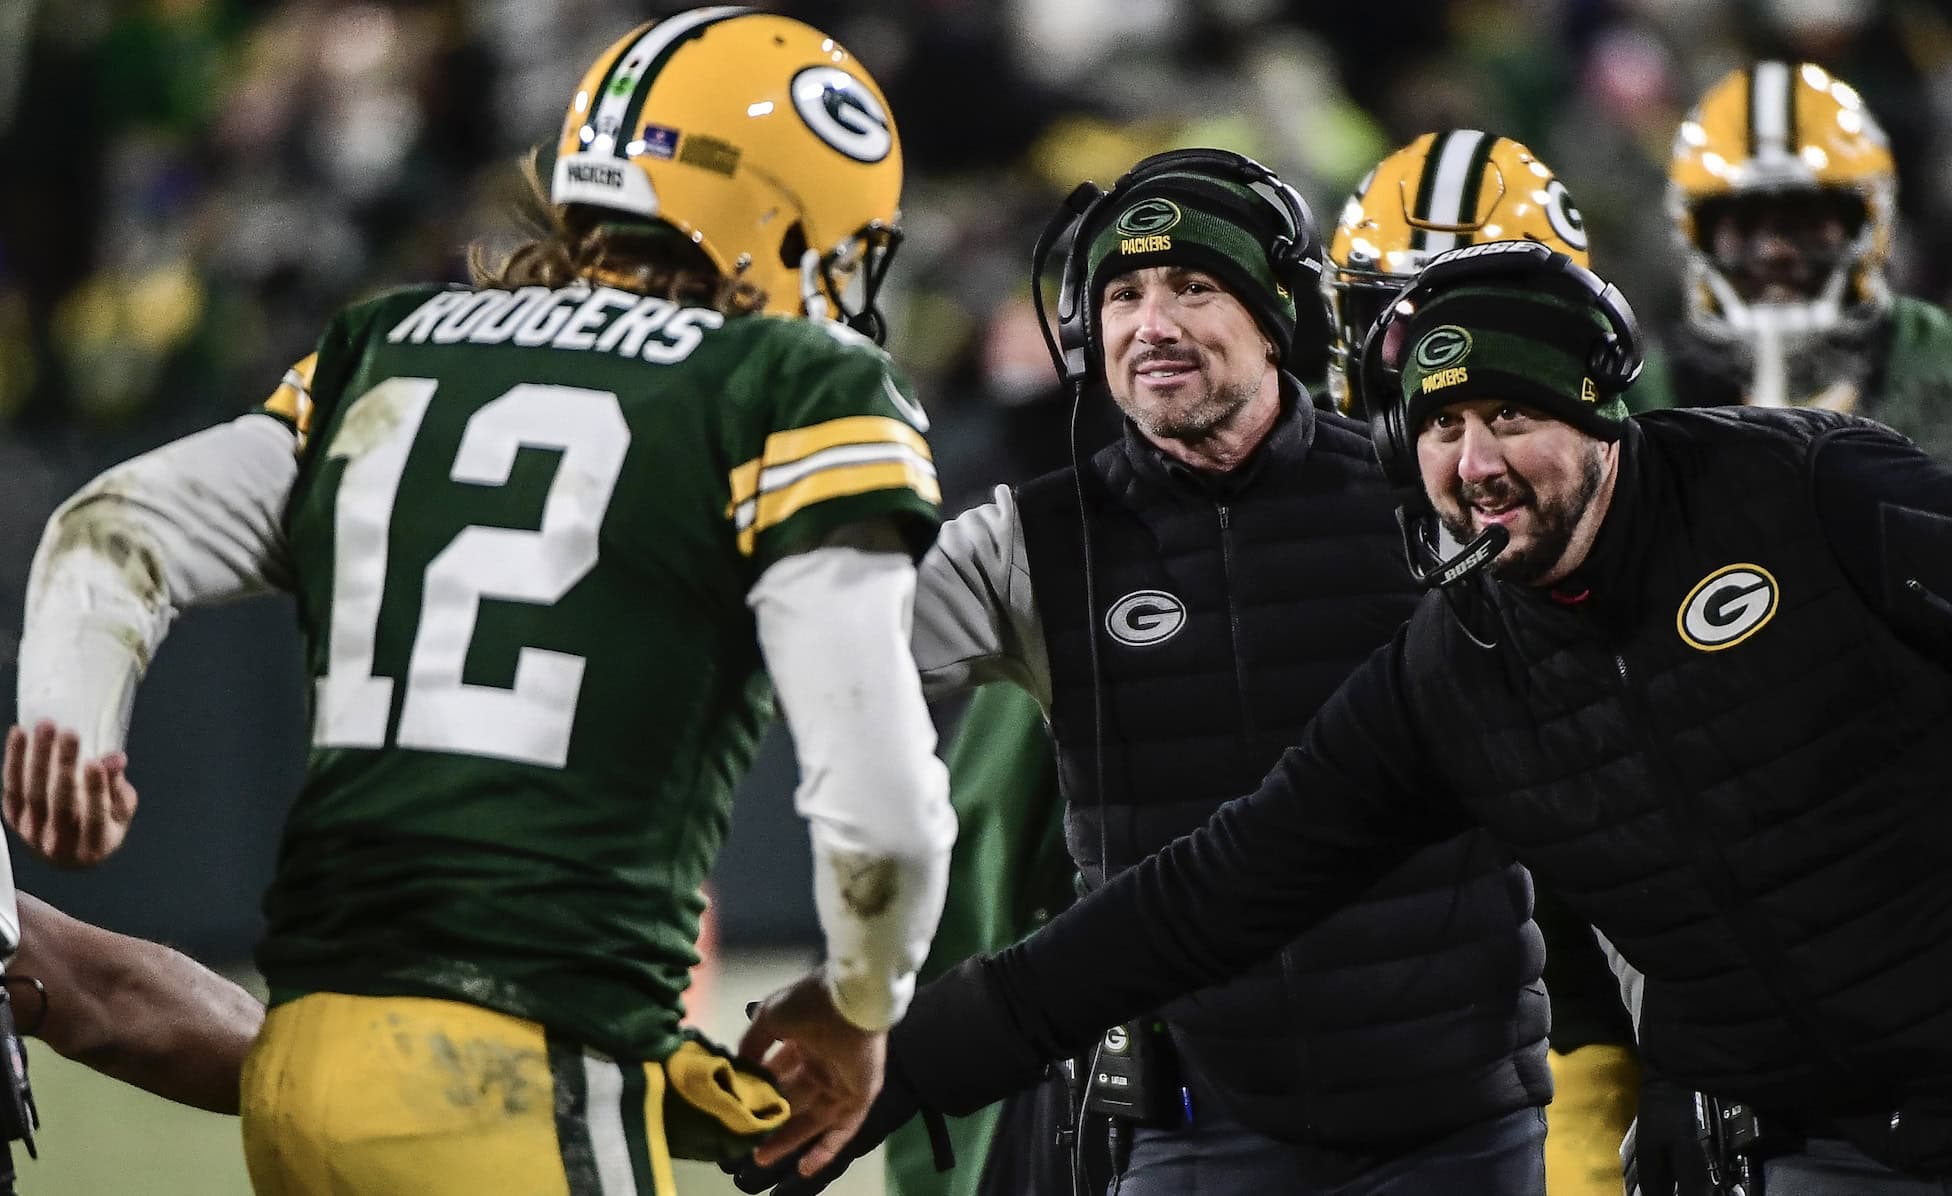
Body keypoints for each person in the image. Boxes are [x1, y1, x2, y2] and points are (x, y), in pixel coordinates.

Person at [744, 238, 1952, 1196]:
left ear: (1599, 409)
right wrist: (899, 1051)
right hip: (1824, 1144)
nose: (1472, 464)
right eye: (1438, 426)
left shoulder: (1806, 489)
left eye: (1509, 416)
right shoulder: (1455, 668)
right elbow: (1203, 895)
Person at [6, 10, 957, 1194]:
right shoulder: (790, 386)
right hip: (523, 1073)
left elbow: (112, 525)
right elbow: (882, 808)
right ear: (782, 214)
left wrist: (71, 728)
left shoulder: (389, 343)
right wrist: (861, 1000)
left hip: (298, 1065)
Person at [762, 147, 1555, 1195]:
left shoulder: (1428, 497)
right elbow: (808, 647)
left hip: (1452, 1117)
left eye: (1192, 286)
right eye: (1122, 294)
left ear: (1276, 317)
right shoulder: (1033, 543)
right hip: (1196, 1124)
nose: (1153, 324)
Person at [1631, 61, 1952, 458]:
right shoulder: (1650, 394)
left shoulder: (1936, 362)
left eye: (1805, 218)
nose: (1774, 251)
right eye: (1744, 222)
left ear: (1868, 223)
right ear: (1698, 233)